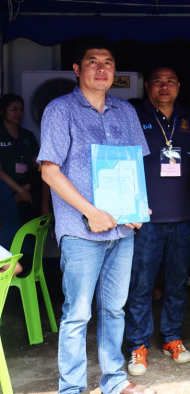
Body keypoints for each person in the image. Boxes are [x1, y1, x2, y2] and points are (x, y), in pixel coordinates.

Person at [38, 37, 156, 394]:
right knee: (77, 313)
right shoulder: (60, 110)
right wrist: (91, 212)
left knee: (114, 310)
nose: (101, 68)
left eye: (108, 62)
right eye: (93, 61)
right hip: (80, 230)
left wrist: (138, 206)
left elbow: (134, 165)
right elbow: (49, 171)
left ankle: (113, 380)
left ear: (115, 71)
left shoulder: (126, 112)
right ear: (77, 69)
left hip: (122, 231)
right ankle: (72, 387)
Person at [125, 66, 190, 376]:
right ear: (147, 86)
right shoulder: (133, 116)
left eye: (170, 81)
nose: (164, 86)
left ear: (179, 86)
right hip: (145, 218)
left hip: (183, 216)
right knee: (141, 285)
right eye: (158, 81)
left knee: (177, 283)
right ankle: (138, 345)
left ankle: (172, 337)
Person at [0, 93, 49, 225]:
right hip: (6, 187)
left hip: (28, 186)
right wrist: (20, 191)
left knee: (47, 171)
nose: (19, 113)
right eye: (14, 109)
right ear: (2, 111)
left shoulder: (27, 135)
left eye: (21, 110)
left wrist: (26, 188)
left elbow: (36, 161)